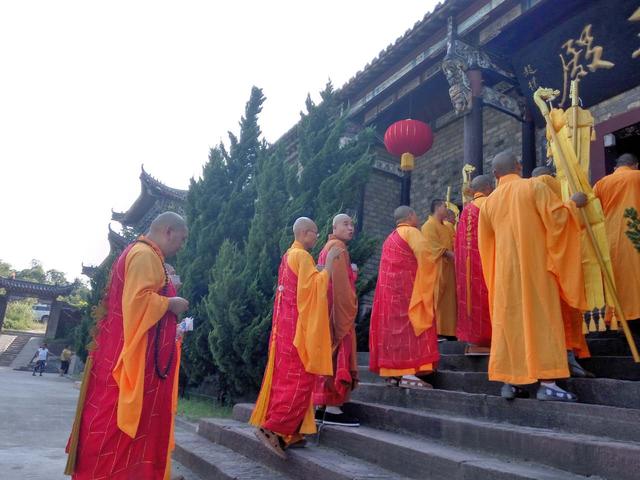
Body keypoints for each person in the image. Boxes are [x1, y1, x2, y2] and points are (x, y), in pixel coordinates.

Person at [65, 212, 190, 480]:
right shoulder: (145, 255)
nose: (182, 245)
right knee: (115, 427)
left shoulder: (146, 254)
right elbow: (137, 303)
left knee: (134, 429)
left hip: (131, 356)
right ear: (168, 231)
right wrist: (170, 303)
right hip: (129, 360)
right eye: (181, 239)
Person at [479, 152, 588, 402]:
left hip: (505, 275)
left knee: (511, 325)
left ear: (495, 175)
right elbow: (558, 220)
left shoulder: (489, 203)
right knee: (541, 320)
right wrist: (574, 204)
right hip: (536, 269)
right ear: (519, 166)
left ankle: (511, 381)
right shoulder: (534, 186)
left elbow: (486, 247)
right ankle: (548, 382)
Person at [250, 217, 343, 459]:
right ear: (304, 233)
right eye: (314, 233)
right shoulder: (302, 256)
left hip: (284, 329)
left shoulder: (289, 256)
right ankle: (273, 429)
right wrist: (330, 262)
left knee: (287, 380)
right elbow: (314, 290)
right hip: (296, 333)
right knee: (298, 382)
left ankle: (291, 432)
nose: (316, 237)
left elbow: (302, 285)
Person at [369, 206, 440, 390]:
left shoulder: (389, 239)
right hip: (408, 293)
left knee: (394, 335)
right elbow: (427, 258)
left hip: (388, 298)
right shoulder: (412, 232)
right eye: (416, 214)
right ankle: (409, 374)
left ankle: (394, 374)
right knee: (410, 331)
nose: (417, 217)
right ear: (410, 216)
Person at [531, 166, 592, 376]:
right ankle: (566, 358)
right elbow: (556, 219)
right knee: (562, 313)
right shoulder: (544, 183)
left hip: (533, 265)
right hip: (554, 261)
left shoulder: (519, 191)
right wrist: (574, 204)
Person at [314, 214, 360, 427]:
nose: (350, 228)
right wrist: (349, 312)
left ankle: (322, 406)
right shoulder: (338, 248)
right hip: (337, 313)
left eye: (352, 225)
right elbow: (341, 290)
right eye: (346, 224)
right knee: (338, 355)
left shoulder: (329, 247)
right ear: (334, 227)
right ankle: (333, 407)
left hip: (326, 312)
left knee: (327, 356)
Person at [593, 153, 640, 324]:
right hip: (635, 233)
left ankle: (621, 317)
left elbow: (592, 212)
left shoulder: (601, 184)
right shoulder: (637, 176)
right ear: (634, 165)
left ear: (616, 167)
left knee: (618, 278)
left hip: (611, 239)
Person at [454, 175, 494, 355]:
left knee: (471, 302)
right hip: (487, 262)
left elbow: (458, 243)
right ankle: (488, 341)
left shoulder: (466, 210)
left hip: (467, 269)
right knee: (487, 300)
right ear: (487, 188)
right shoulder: (489, 203)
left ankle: (473, 342)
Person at [422, 200, 457, 338]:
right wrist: (451, 254)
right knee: (437, 298)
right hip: (437, 268)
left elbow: (455, 241)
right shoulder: (428, 226)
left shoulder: (448, 227)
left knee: (450, 302)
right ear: (437, 207)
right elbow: (432, 246)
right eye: (444, 206)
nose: (446, 209)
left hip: (449, 270)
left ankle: (450, 332)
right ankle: (436, 332)